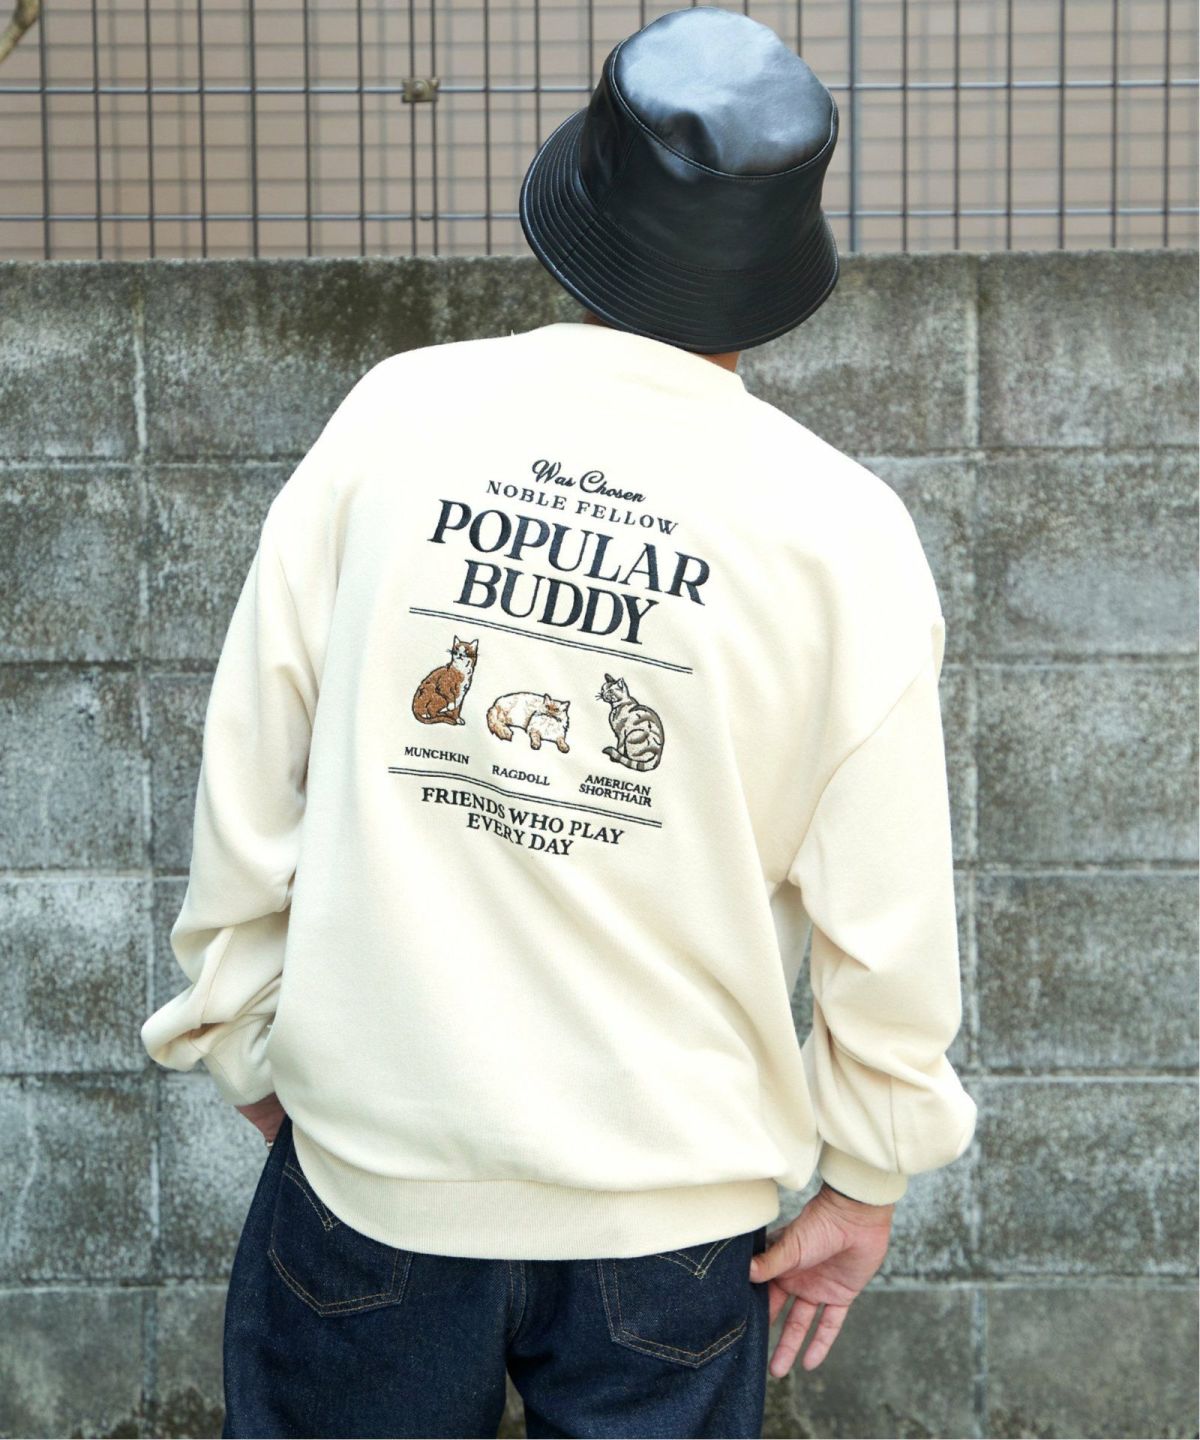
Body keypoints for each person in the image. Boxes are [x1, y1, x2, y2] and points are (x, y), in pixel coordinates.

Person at [140, 7, 976, 1437]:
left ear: (580, 209)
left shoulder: (398, 421)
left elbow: (252, 761)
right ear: (778, 259)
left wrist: (240, 1026)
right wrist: (866, 1172)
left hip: (375, 1173)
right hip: (673, 1215)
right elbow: (888, 912)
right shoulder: (843, 531)